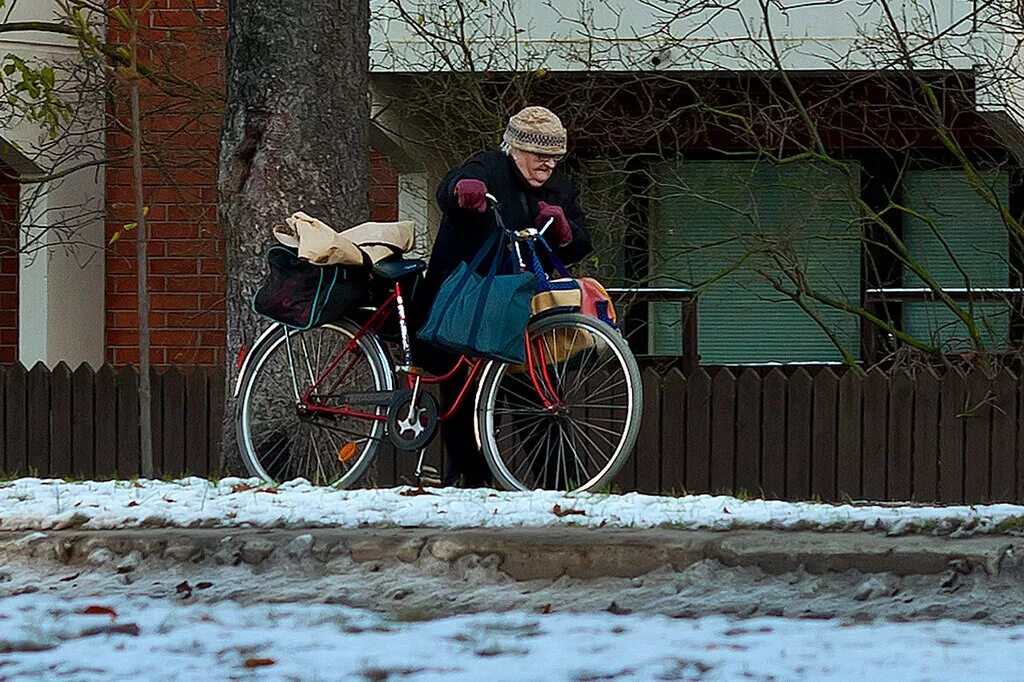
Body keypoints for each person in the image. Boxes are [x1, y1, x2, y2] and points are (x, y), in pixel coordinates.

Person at [413, 106, 593, 487]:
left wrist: (564, 231)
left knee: (537, 398)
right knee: (461, 393)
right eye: (540, 155)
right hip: (466, 297)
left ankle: (560, 485)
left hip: (518, 307)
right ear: (515, 149)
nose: (549, 164)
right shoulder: (490, 167)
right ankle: (469, 482)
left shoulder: (559, 186)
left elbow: (580, 241)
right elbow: (452, 185)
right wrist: (464, 191)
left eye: (555, 156)